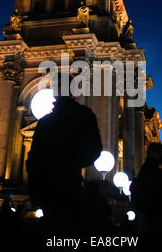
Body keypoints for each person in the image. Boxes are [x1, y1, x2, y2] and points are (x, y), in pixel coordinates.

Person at [26, 73, 103, 231]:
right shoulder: (46, 121)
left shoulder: (81, 115)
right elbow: (33, 159)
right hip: (53, 189)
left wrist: (69, 162)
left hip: (68, 188)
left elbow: (94, 148)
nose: (59, 90)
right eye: (57, 86)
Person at [130, 142, 162, 231]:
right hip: (153, 214)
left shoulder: (148, 168)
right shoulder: (151, 169)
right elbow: (156, 192)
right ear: (154, 153)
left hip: (150, 213)